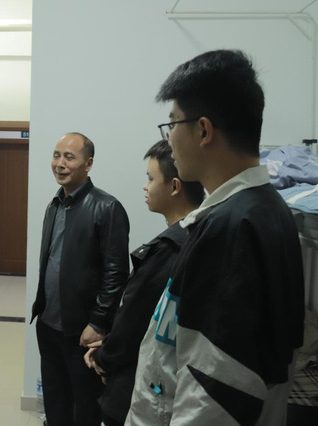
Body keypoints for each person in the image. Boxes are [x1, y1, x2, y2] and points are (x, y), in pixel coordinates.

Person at [126, 49, 305, 425]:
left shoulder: (233, 227)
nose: (169, 140)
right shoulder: (260, 209)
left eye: (172, 124)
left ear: (204, 131)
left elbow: (214, 394)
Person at [83, 140, 204, 426]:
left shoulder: (170, 249)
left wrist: (103, 357)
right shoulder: (201, 234)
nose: (145, 187)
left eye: (151, 179)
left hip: (141, 384)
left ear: (174, 187)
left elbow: (135, 320)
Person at [31, 132, 130, 426]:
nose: (60, 163)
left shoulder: (107, 208)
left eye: (69, 157)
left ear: (88, 164)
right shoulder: (54, 205)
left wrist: (98, 322)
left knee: (85, 406)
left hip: (82, 331)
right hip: (48, 324)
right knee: (55, 399)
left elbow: (116, 273)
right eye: (56, 155)